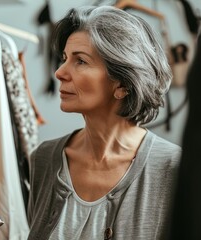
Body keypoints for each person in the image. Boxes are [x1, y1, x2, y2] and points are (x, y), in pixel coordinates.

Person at [27, 5, 181, 240]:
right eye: (65, 58)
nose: (59, 72)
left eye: (80, 61)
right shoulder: (44, 159)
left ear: (122, 84)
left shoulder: (173, 168)